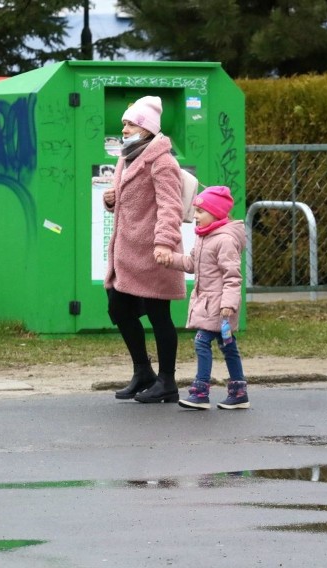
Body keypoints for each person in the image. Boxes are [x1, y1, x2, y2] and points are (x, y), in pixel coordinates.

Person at [103, 96, 186, 403]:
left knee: (158, 314)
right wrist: (111, 200)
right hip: (126, 251)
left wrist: (164, 243)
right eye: (124, 123)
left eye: (131, 124)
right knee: (118, 308)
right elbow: (127, 201)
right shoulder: (126, 157)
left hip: (153, 251)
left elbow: (170, 206)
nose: (124, 129)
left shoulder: (162, 160)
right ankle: (143, 372)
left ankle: (167, 381)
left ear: (147, 128)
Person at [159, 185, 250, 410]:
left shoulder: (225, 240)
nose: (196, 217)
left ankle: (200, 392)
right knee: (227, 346)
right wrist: (171, 259)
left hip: (220, 307)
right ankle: (239, 392)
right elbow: (191, 264)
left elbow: (232, 277)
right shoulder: (203, 237)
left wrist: (228, 305)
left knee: (202, 341)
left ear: (216, 212)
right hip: (208, 304)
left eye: (200, 212)